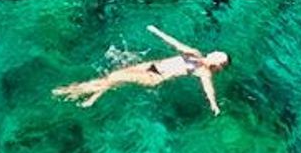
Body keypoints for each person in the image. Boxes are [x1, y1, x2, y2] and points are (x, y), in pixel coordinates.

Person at [53, 25, 230, 115]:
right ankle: (88, 95)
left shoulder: (204, 71)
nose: (215, 52)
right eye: (218, 52)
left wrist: (213, 105)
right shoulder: (195, 53)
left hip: (155, 77)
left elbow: (208, 88)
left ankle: (74, 92)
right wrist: (157, 32)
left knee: (114, 78)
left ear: (217, 63)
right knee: (113, 77)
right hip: (151, 65)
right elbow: (175, 43)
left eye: (219, 56)